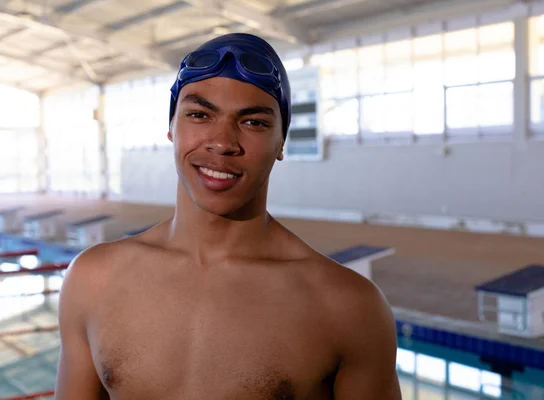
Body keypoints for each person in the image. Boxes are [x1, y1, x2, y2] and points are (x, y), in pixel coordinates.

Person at [54, 33, 402, 399]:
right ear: (172, 127)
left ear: (281, 142)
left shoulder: (347, 307)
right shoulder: (93, 280)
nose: (222, 142)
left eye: (253, 122)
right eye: (200, 115)